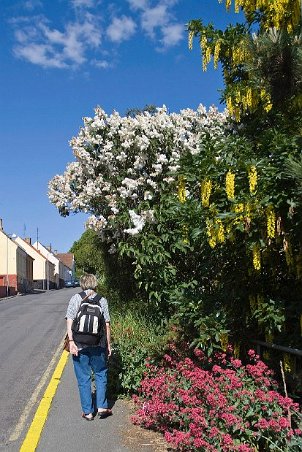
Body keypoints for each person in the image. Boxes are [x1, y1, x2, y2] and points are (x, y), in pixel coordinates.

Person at [66, 274, 112, 420]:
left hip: (79, 344)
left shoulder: (76, 298)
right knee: (100, 373)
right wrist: (108, 345)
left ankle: (88, 412)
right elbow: (107, 325)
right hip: (98, 344)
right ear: (95, 284)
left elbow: (70, 320)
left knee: (83, 378)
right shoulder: (102, 300)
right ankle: (102, 406)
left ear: (82, 284)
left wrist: (71, 341)